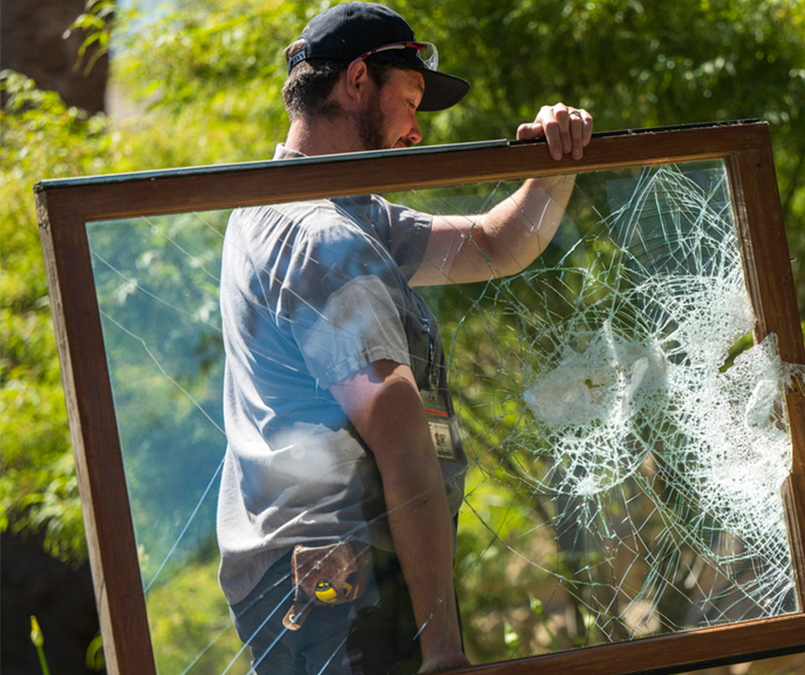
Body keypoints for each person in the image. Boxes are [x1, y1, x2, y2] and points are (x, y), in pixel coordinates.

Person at [215, 3, 593, 673]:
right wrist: (442, 647)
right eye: (410, 101)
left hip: (308, 580)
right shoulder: (324, 236)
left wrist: (555, 160)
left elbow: (494, 244)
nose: (416, 132)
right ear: (358, 81)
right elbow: (398, 426)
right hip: (341, 582)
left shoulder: (300, 204)